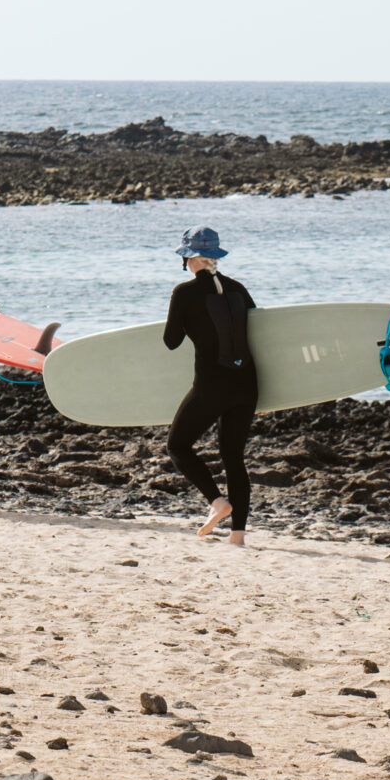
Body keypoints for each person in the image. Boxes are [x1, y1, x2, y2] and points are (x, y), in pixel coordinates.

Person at [163, 225, 257, 544]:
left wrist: (188, 319)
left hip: (211, 385)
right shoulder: (238, 288)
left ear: (190, 258)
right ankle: (238, 536)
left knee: (178, 446)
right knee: (233, 457)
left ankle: (217, 502)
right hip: (247, 384)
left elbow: (171, 341)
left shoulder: (184, 292)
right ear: (215, 256)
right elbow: (257, 331)